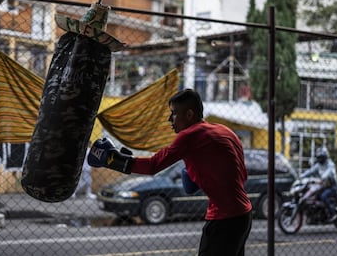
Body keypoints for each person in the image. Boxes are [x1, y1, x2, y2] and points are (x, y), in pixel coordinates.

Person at [89, 88, 252, 256]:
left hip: (224, 220)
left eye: (174, 113)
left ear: (189, 115)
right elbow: (242, 175)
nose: (169, 119)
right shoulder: (225, 131)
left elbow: (153, 165)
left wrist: (112, 159)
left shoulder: (190, 136)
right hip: (243, 215)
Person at [300, 146, 337, 222]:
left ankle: (333, 214)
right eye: (318, 157)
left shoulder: (330, 164)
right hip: (323, 186)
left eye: (321, 157)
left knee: (323, 196)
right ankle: (318, 215)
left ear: (325, 157)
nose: (320, 159)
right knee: (314, 197)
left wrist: (323, 177)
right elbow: (311, 171)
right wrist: (301, 176)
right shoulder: (318, 165)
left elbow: (329, 172)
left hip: (332, 187)